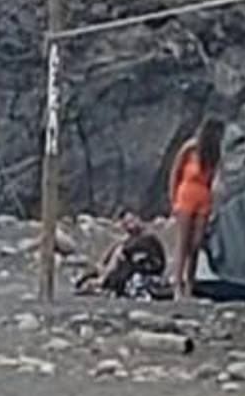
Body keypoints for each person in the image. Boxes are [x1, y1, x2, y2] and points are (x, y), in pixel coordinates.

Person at [167, 117, 225, 299]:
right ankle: (178, 284)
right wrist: (173, 199)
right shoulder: (190, 148)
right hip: (186, 194)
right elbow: (175, 172)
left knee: (196, 242)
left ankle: (190, 283)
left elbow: (216, 178)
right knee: (183, 242)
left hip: (203, 197)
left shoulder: (215, 154)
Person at [75, 212, 167, 299]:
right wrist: (102, 262)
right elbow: (116, 248)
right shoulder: (129, 239)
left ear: (138, 219)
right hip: (136, 265)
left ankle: (102, 282)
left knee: (121, 261)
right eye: (126, 223)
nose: (130, 225)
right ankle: (98, 280)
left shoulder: (147, 237)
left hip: (149, 268)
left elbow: (127, 251)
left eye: (132, 221)